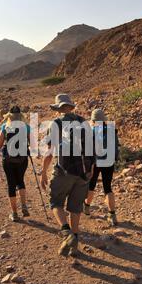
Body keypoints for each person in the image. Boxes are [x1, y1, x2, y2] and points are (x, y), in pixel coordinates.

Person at [40, 94, 95, 257]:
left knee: (56, 203)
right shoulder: (84, 122)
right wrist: (90, 169)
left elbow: (50, 152)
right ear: (71, 107)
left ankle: (67, 233)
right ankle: (74, 245)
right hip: (83, 172)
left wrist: (43, 172)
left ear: (58, 109)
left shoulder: (55, 124)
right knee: (75, 208)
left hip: (64, 170)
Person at [84, 109, 120, 226]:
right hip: (109, 162)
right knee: (108, 188)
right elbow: (116, 147)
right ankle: (112, 215)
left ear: (93, 120)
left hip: (95, 162)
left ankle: (87, 208)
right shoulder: (112, 131)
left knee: (91, 185)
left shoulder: (92, 131)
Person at [0, 106, 31, 222]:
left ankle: (14, 213)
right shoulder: (26, 127)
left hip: (8, 160)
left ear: (9, 116)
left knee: (11, 184)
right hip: (22, 159)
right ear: (20, 115)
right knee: (20, 180)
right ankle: (24, 205)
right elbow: (33, 144)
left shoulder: (5, 127)